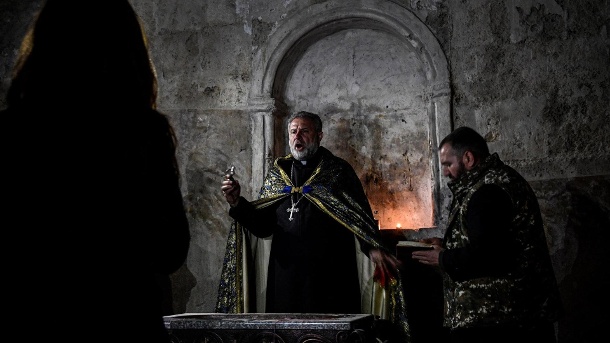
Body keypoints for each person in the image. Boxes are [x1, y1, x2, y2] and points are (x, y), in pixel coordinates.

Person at [1, 1, 191, 342]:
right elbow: (170, 248)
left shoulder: (13, 132)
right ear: (127, 51)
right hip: (120, 317)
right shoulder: (141, 132)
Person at [217, 111, 410, 341]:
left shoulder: (337, 171)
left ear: (319, 135)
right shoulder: (278, 175)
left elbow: (359, 218)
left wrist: (372, 247)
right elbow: (263, 227)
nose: (297, 136)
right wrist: (237, 202)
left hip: (329, 277)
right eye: (293, 131)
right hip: (285, 278)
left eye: (304, 131)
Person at [411, 126, 563, 343]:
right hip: (512, 315)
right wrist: (446, 243)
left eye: (447, 164)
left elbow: (491, 254)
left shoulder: (488, 191)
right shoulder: (495, 181)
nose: (445, 172)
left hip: (498, 318)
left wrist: (443, 258)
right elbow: (493, 238)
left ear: (468, 158)